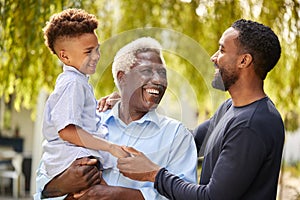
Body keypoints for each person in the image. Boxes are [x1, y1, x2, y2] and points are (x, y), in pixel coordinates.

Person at [117, 19, 285, 200]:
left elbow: (210, 197)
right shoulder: (230, 108)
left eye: (222, 50)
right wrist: (126, 99)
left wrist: (154, 174)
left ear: (244, 61)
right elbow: (186, 141)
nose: (213, 58)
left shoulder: (253, 125)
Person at [36, 37, 198, 199]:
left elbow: (185, 196)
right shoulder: (86, 122)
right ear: (122, 77)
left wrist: (122, 196)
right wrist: (61, 185)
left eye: (162, 73)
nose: (158, 80)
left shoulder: (177, 136)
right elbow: (41, 188)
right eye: (146, 71)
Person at [34, 8, 128, 199]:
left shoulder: (77, 81)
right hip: (71, 156)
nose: (96, 56)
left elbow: (81, 117)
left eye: (97, 49)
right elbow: (66, 130)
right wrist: (108, 146)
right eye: (88, 52)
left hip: (74, 154)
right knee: (99, 190)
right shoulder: (73, 83)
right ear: (65, 56)